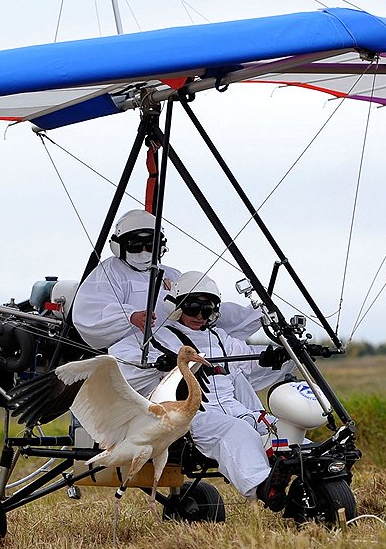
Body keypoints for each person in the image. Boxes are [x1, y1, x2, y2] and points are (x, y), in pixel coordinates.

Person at [109, 271, 296, 510]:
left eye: (206, 311)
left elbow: (249, 362)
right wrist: (159, 362)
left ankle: (311, 469)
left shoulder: (220, 338)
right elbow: (119, 357)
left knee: (276, 426)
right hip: (193, 415)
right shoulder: (160, 338)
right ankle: (265, 486)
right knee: (236, 430)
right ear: (177, 308)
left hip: (234, 408)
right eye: (192, 308)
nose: (199, 316)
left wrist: (272, 356)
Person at [73, 209, 261, 354]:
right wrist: (131, 317)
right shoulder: (109, 272)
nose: (144, 251)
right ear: (118, 246)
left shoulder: (171, 274)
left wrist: (256, 314)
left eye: (151, 246)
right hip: (135, 354)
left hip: (175, 349)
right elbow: (91, 312)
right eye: (137, 246)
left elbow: (199, 308)